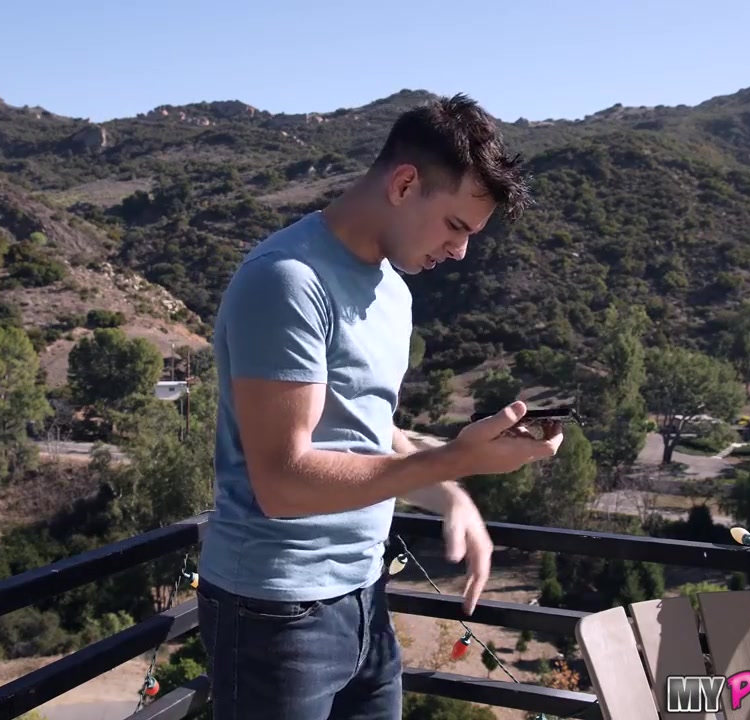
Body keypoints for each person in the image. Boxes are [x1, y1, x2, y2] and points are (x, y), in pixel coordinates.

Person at [196, 93, 564, 720]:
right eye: (456, 226)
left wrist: (450, 495)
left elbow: (367, 428)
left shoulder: (393, 290)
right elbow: (281, 483)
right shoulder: (287, 280)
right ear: (404, 184)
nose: (460, 251)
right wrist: (455, 460)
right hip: (273, 610)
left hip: (365, 595)